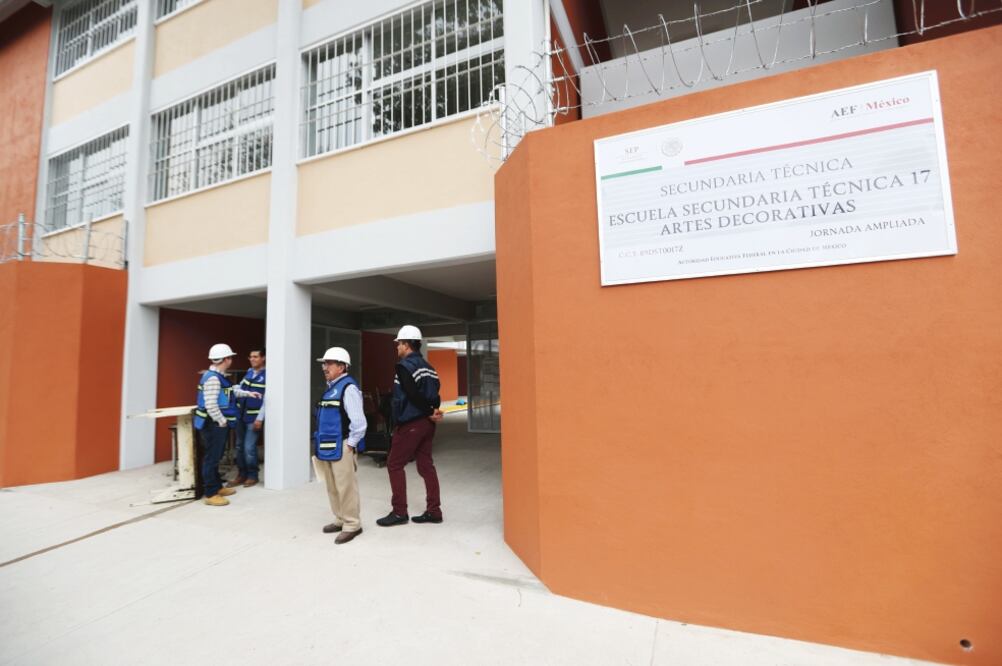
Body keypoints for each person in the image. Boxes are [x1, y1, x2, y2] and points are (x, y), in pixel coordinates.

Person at [376, 325, 445, 527]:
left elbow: (412, 394)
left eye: (399, 344)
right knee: (426, 466)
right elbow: (436, 395)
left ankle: (399, 512)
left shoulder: (405, 366)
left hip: (411, 423)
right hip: (427, 425)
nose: (397, 347)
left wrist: (427, 411)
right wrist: (432, 411)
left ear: (406, 345)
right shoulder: (429, 368)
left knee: (394, 464)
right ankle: (434, 511)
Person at [194, 344, 261, 507]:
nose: (231, 360)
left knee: (216, 457)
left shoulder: (218, 376)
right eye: (230, 357)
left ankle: (217, 487)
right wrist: (222, 421)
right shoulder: (213, 378)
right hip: (213, 424)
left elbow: (230, 391)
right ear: (225, 359)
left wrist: (247, 393)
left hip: (215, 424)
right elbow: (211, 405)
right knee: (212, 458)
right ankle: (210, 493)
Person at [313, 347, 367, 544]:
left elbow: (359, 422)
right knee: (332, 486)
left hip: (342, 445)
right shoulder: (331, 387)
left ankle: (352, 524)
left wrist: (350, 445)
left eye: (329, 363)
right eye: (324, 363)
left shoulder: (348, 388)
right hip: (327, 446)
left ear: (342, 367)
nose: (324, 367)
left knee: (346, 488)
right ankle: (339, 518)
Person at [228, 347, 266, 488]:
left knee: (249, 447)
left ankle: (252, 475)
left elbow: (267, 399)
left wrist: (260, 418)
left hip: (253, 417)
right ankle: (241, 474)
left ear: (263, 358)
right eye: (250, 357)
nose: (252, 359)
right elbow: (240, 388)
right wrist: (233, 388)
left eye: (255, 356)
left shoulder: (268, 375)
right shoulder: (249, 372)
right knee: (239, 447)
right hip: (241, 415)